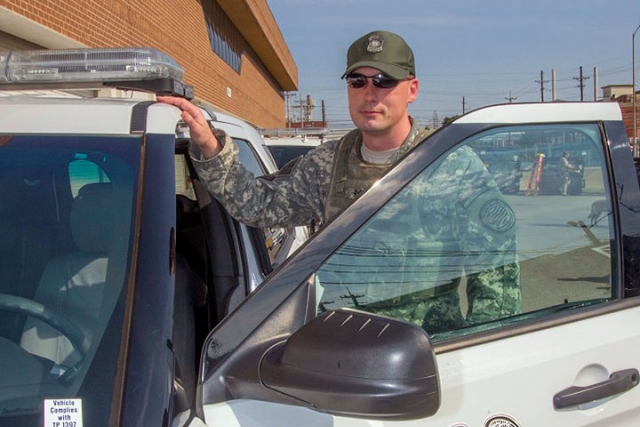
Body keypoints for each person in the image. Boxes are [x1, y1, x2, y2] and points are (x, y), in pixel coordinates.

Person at [158, 30, 520, 334]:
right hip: (341, 347)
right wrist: (209, 146)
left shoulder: (450, 164)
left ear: (412, 89)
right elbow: (258, 205)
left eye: (384, 81)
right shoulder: (327, 164)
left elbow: (495, 280)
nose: (370, 93)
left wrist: (475, 359)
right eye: (357, 81)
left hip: (425, 357)